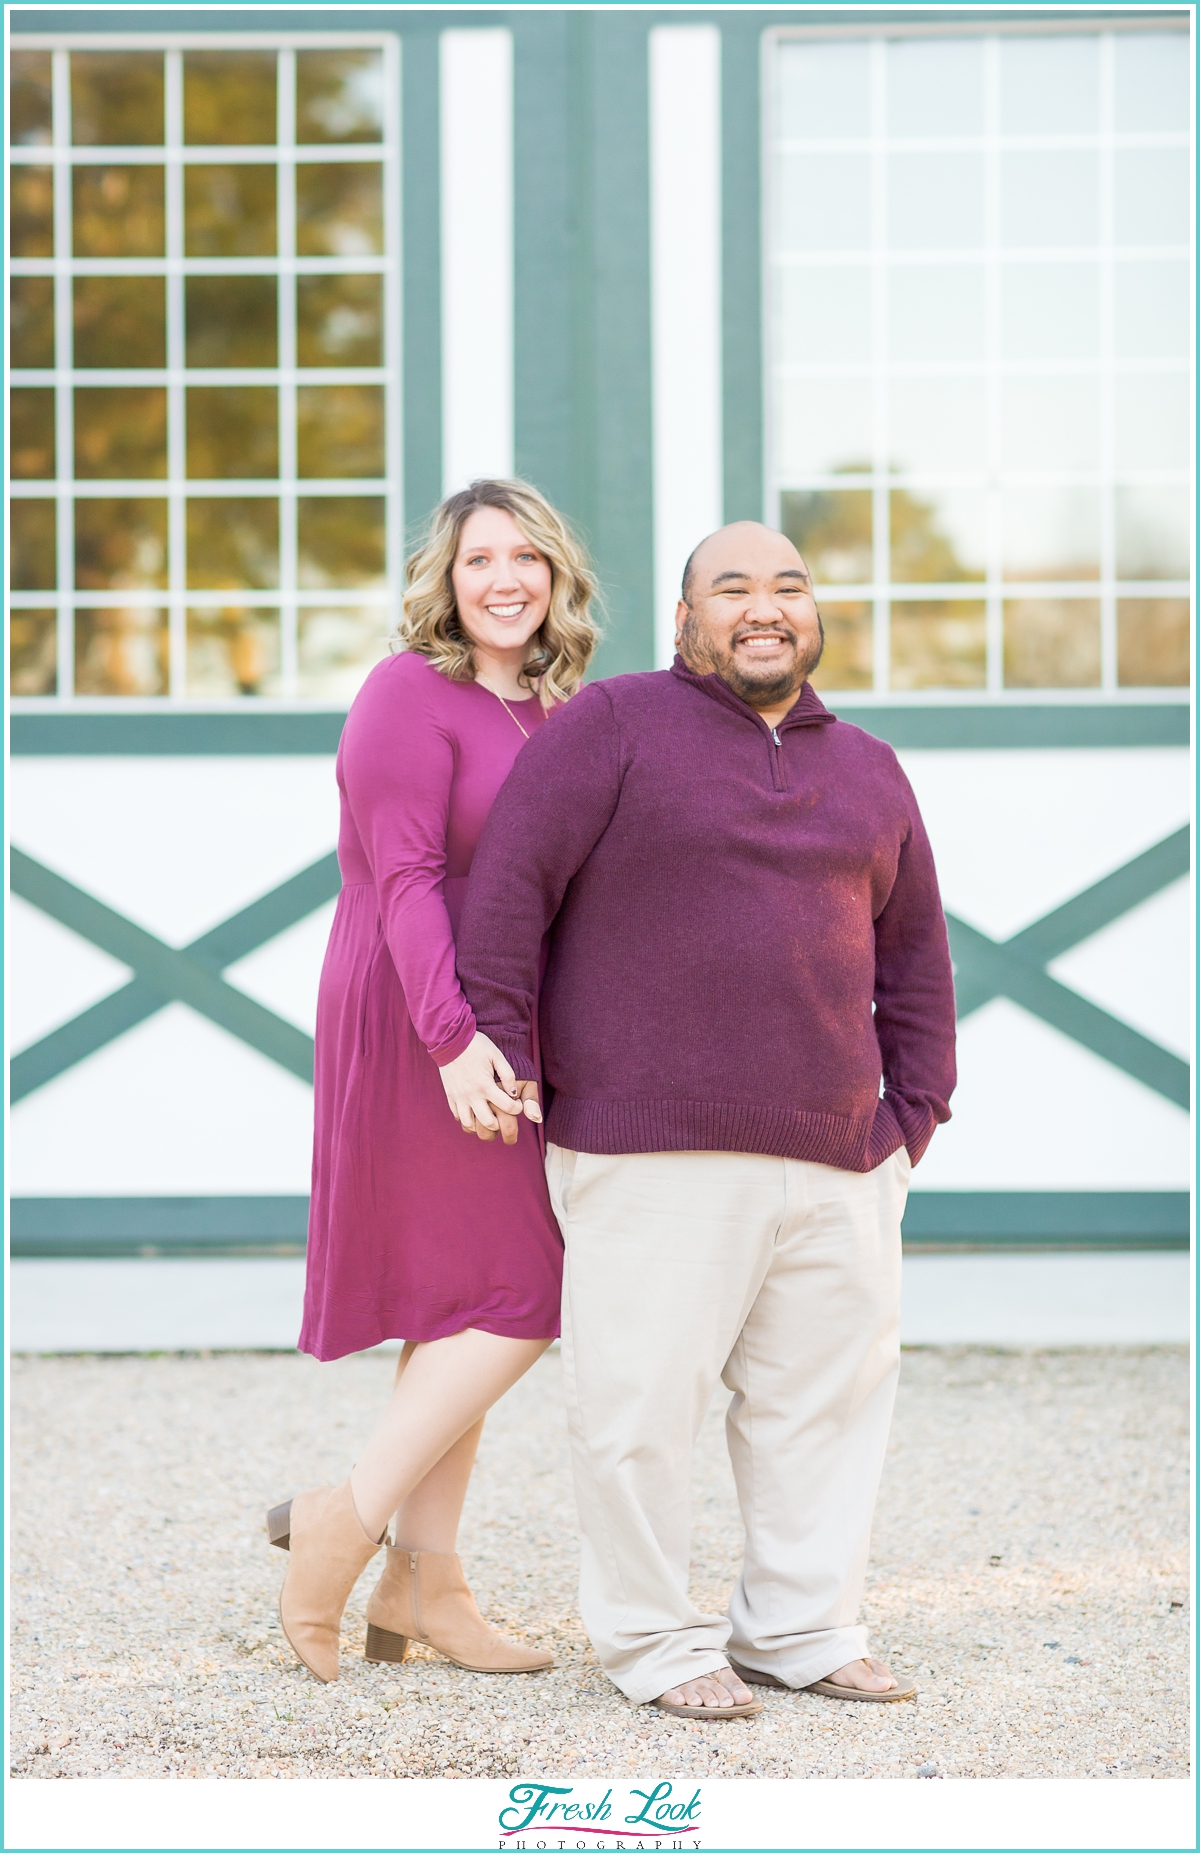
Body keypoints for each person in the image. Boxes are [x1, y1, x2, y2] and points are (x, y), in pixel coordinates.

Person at [455, 520, 956, 1721]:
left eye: (789, 583)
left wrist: (912, 1115)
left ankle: (801, 1626)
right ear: (686, 621)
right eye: (732, 586)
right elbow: (509, 890)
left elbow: (918, 954)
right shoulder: (615, 726)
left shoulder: (872, 767)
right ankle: (655, 1642)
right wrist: (511, 1059)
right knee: (638, 1405)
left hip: (838, 1149)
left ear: (814, 614)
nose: (764, 605)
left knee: (826, 1405)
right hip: (646, 1144)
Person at [267, 479, 599, 1685]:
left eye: (526, 556)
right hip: (420, 1011)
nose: (504, 579)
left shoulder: (557, 708)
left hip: (503, 1017)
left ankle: (427, 1582)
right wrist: (455, 1038)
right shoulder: (409, 694)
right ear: (446, 581)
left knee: (471, 1293)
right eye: (478, 560)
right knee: (524, 1288)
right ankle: (341, 1519)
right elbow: (404, 878)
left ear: (556, 574)